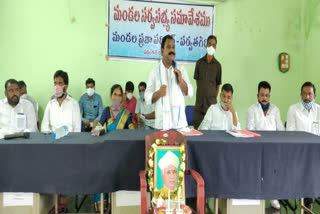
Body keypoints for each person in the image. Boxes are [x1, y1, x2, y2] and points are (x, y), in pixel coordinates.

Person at [41, 70, 81, 213]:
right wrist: (53, 137)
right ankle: (54, 205)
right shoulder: (50, 104)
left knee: (66, 175)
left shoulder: (74, 104)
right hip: (52, 146)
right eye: (55, 83)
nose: (57, 86)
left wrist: (65, 139)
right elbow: (44, 127)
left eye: (60, 83)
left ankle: (64, 206)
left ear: (66, 86)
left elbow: (77, 130)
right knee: (50, 173)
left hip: (69, 147)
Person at [92, 84, 134, 212]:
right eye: (115, 94)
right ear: (111, 96)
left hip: (121, 155)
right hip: (106, 152)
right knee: (100, 171)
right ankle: (102, 203)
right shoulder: (106, 111)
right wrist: (100, 129)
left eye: (119, 95)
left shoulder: (127, 114)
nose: (117, 97)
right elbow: (97, 129)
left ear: (122, 97)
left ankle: (117, 203)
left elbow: (132, 134)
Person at [246, 81, 284, 210]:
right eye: (262, 95)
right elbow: (250, 129)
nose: (264, 98)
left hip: (273, 146)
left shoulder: (275, 110)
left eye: (267, 95)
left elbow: (280, 129)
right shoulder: (252, 109)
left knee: (274, 169)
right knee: (257, 170)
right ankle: (257, 197)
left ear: (269, 96)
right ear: (257, 96)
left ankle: (273, 196)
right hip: (257, 146)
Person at [145, 34, 193, 130]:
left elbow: (190, 93)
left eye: (173, 47)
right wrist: (158, 93)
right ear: (162, 51)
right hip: (162, 125)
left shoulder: (181, 69)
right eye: (168, 47)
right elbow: (147, 97)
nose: (172, 50)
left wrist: (181, 79)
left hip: (180, 125)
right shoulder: (154, 72)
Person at [286, 81, 319, 212]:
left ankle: (309, 198)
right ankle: (307, 198)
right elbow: (290, 133)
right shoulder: (293, 109)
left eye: (310, 94)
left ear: (314, 96)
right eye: (304, 94)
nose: (307, 97)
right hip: (298, 151)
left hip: (316, 151)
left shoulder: (319, 110)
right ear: (300, 94)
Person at [193, 35, 222, 129]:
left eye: (213, 45)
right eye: (209, 44)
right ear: (206, 45)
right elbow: (197, 81)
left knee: (210, 132)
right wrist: (203, 91)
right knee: (196, 130)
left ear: (216, 47)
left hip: (211, 104)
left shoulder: (218, 66)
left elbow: (217, 85)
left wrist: (211, 95)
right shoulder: (199, 63)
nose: (211, 46)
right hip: (199, 104)